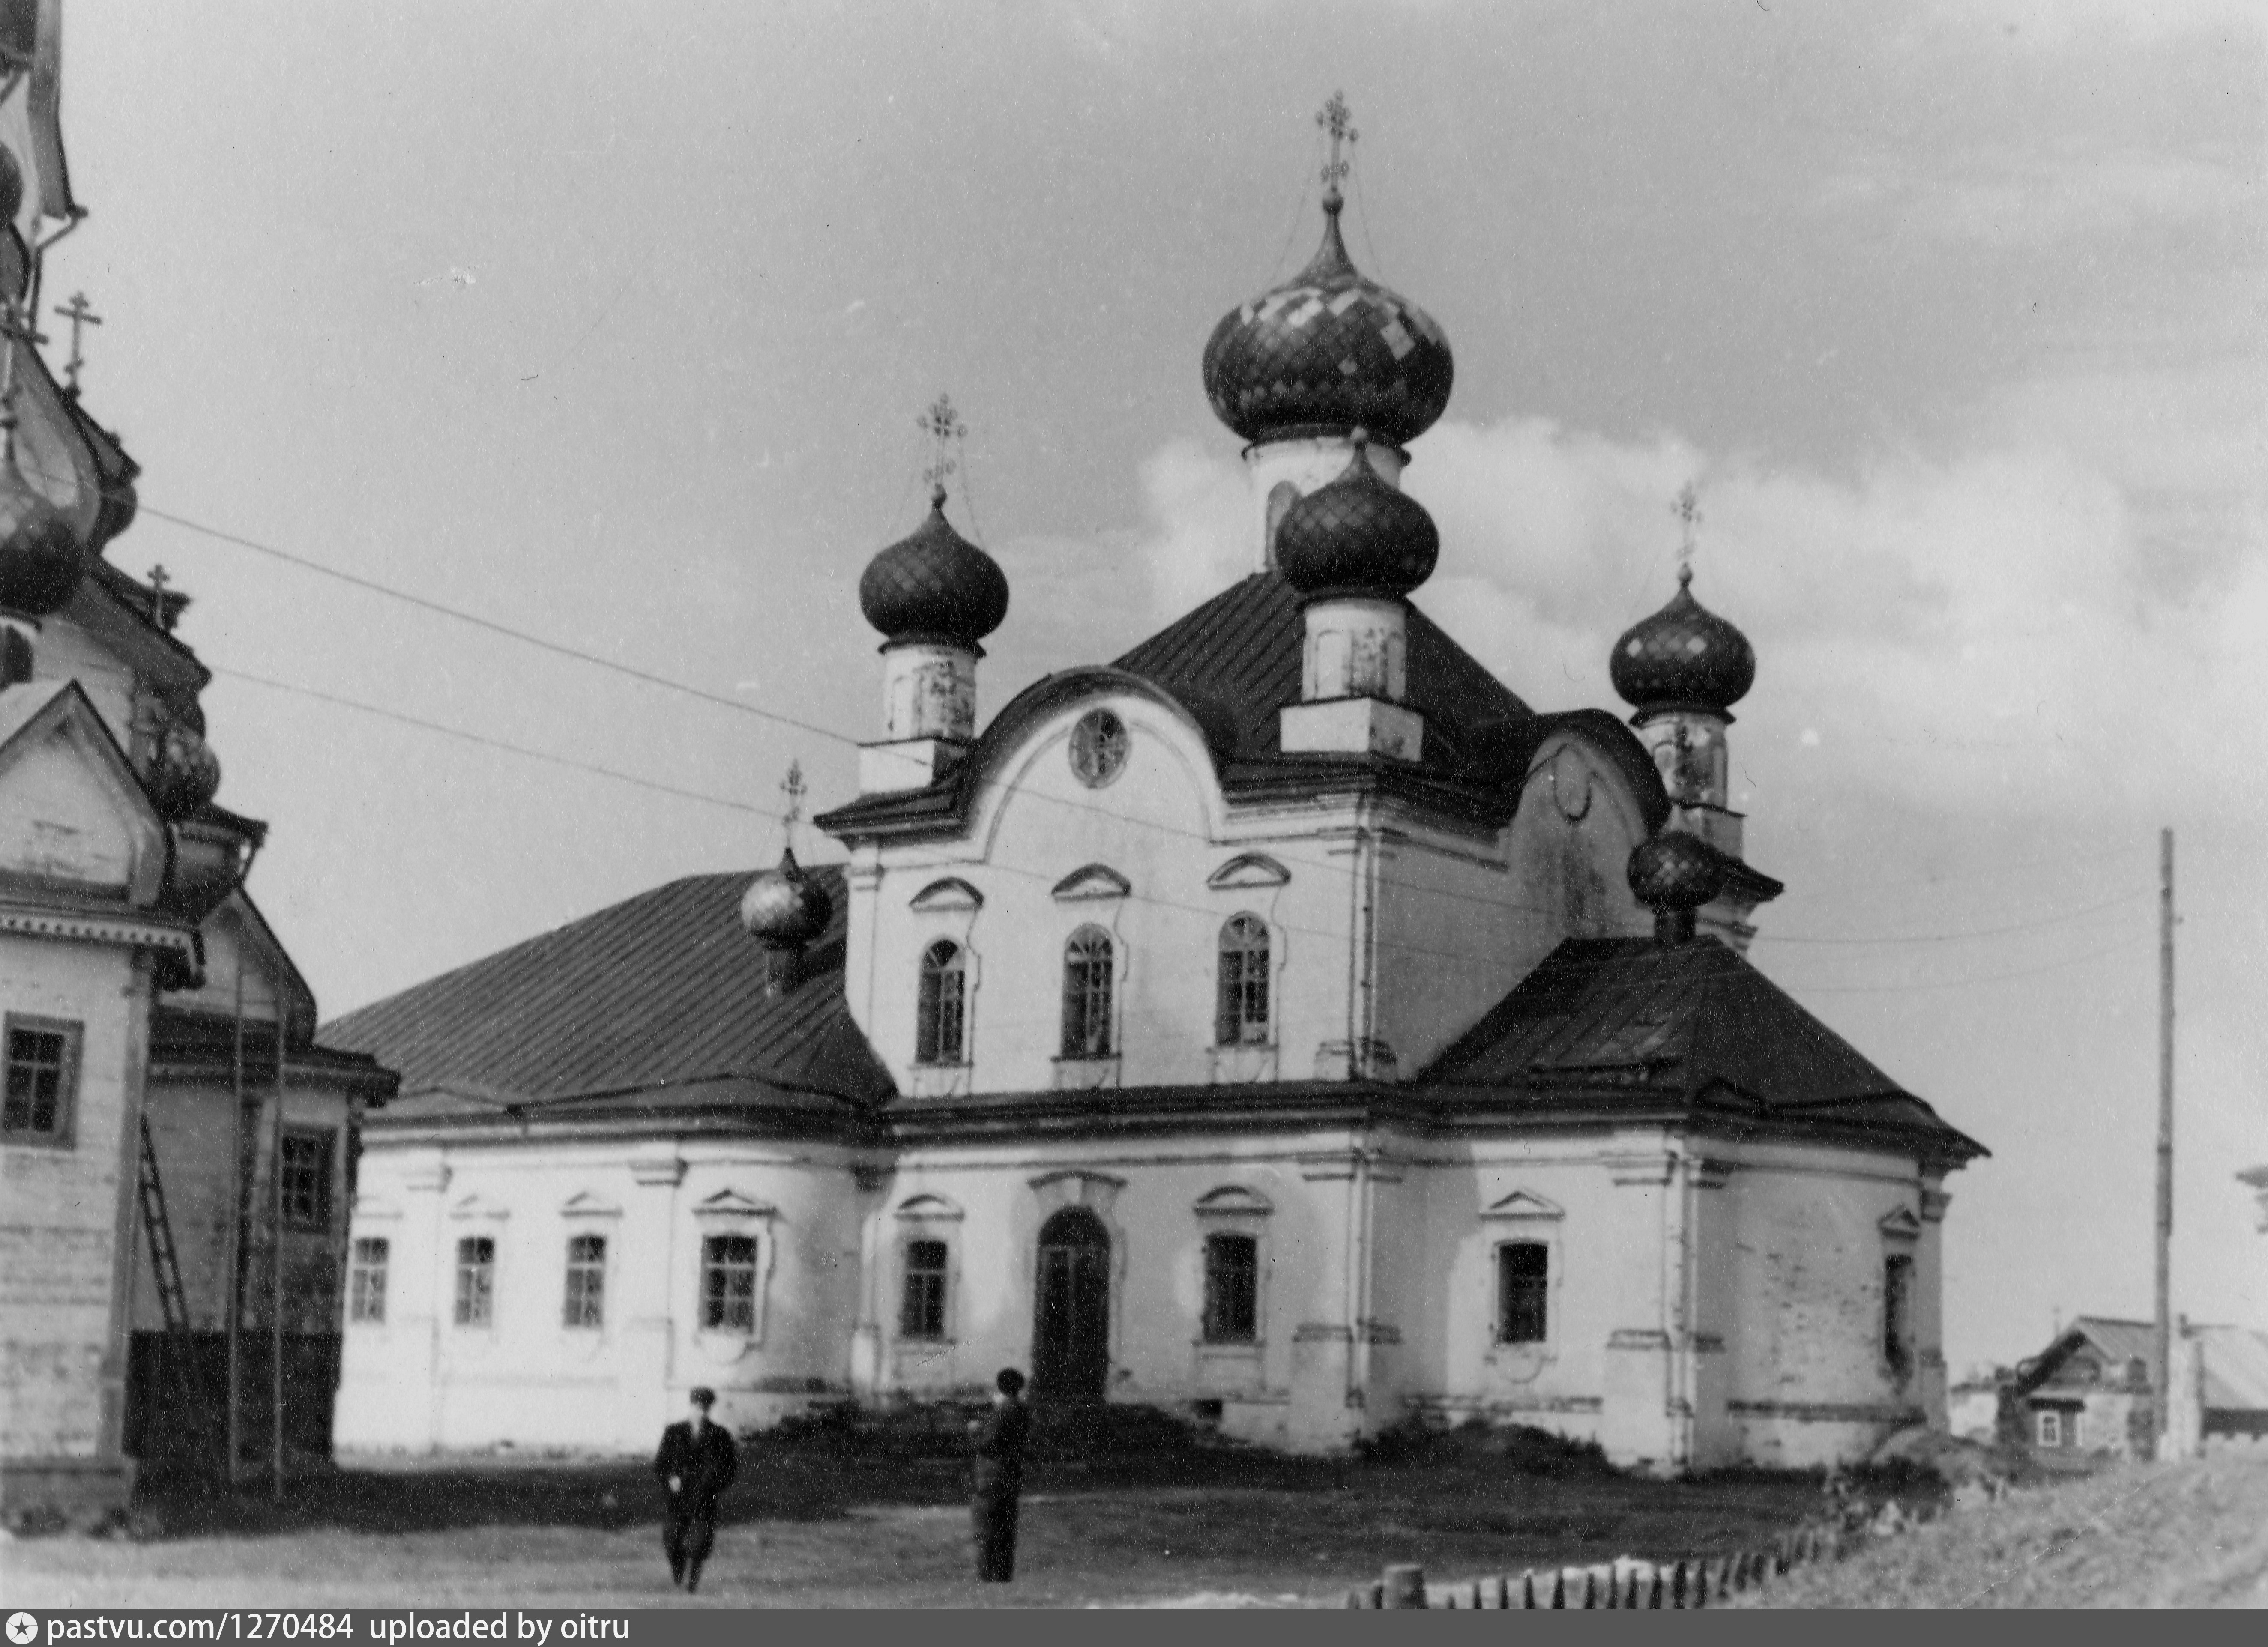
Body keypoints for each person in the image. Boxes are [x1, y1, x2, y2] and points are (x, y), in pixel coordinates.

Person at [653, 1386, 738, 1593]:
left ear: (710, 1409)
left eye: (705, 1408)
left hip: (704, 1496)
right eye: (697, 1407)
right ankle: (678, 1573)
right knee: (672, 1541)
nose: (700, 1412)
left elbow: (729, 1469)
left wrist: (712, 1485)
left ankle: (693, 1584)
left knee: (699, 1544)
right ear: (690, 1406)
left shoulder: (720, 1435)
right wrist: (671, 1478)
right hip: (678, 1495)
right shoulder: (674, 1432)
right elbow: (660, 1464)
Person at [968, 1366, 1032, 1583]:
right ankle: (1004, 1576)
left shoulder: (1002, 1411)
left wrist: (975, 1429)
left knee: (986, 1530)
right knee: (1006, 1531)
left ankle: (986, 1576)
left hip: (991, 1476)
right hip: (1012, 1474)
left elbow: (987, 1442)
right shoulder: (1022, 1411)